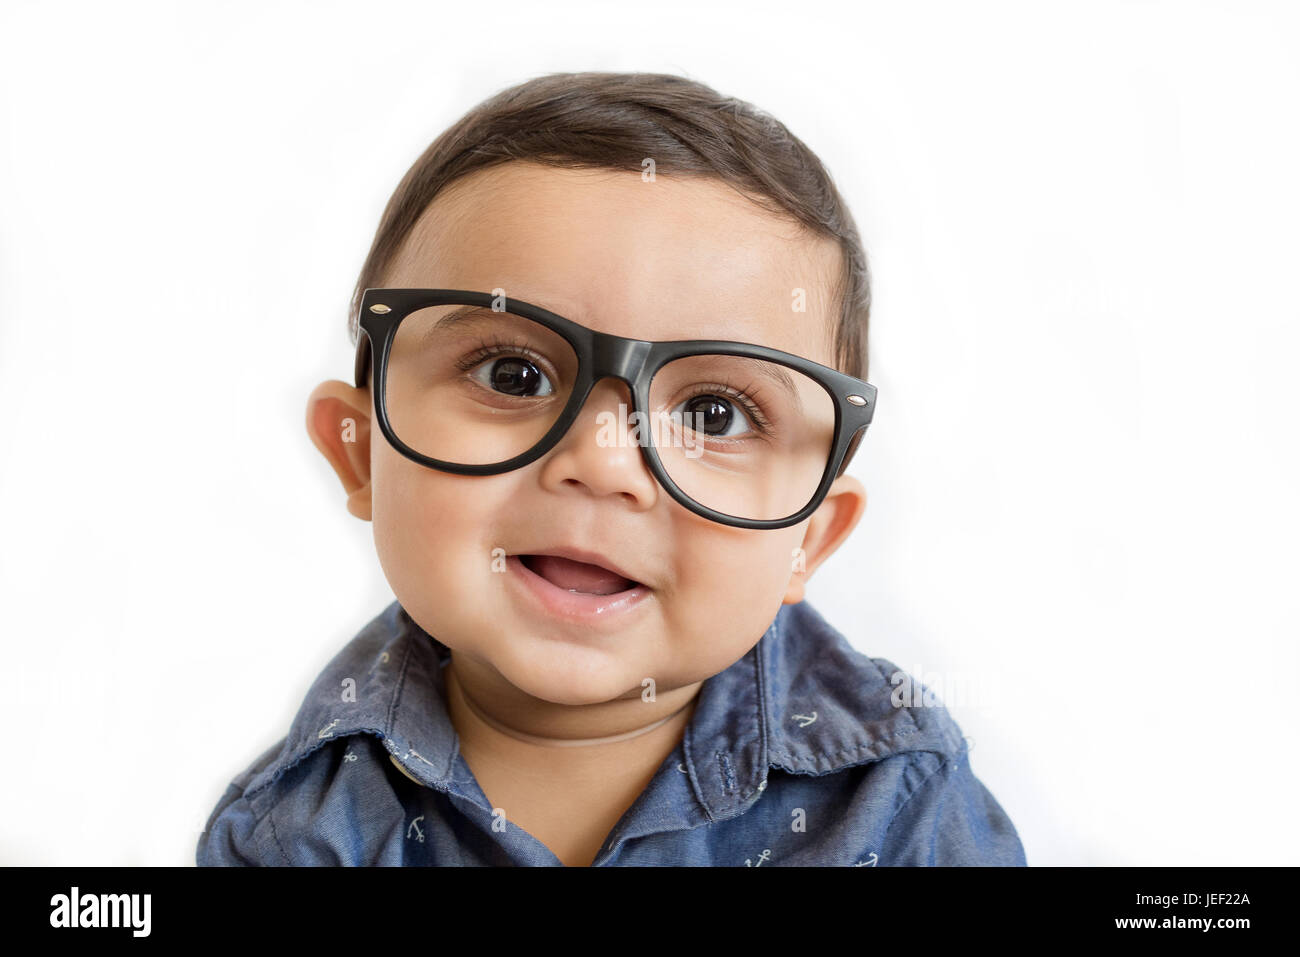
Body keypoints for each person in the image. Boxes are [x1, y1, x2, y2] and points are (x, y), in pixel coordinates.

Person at [196, 71, 1026, 867]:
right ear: (358, 449)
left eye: (712, 415)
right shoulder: (294, 832)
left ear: (811, 534)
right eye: (512, 375)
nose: (602, 464)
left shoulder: (900, 801)